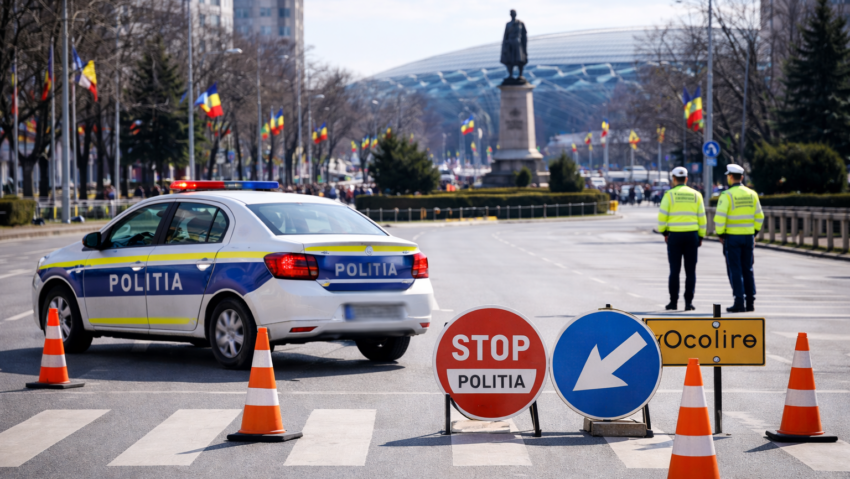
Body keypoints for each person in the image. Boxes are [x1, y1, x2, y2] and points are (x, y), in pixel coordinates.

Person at [714, 164, 764, 312]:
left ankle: (739, 301)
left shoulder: (727, 195)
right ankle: (750, 302)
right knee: (748, 268)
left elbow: (720, 218)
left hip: (732, 238)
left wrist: (721, 234)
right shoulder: (752, 194)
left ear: (730, 177)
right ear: (742, 177)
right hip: (748, 237)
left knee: (735, 269)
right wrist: (754, 233)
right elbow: (760, 217)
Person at [658, 167, 706, 311]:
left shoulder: (669, 195)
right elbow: (702, 219)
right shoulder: (696, 195)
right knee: (690, 271)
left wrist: (664, 232)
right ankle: (688, 303)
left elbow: (662, 218)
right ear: (686, 179)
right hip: (692, 236)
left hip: (674, 236)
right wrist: (701, 236)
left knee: (674, 271)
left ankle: (673, 302)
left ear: (673, 179)